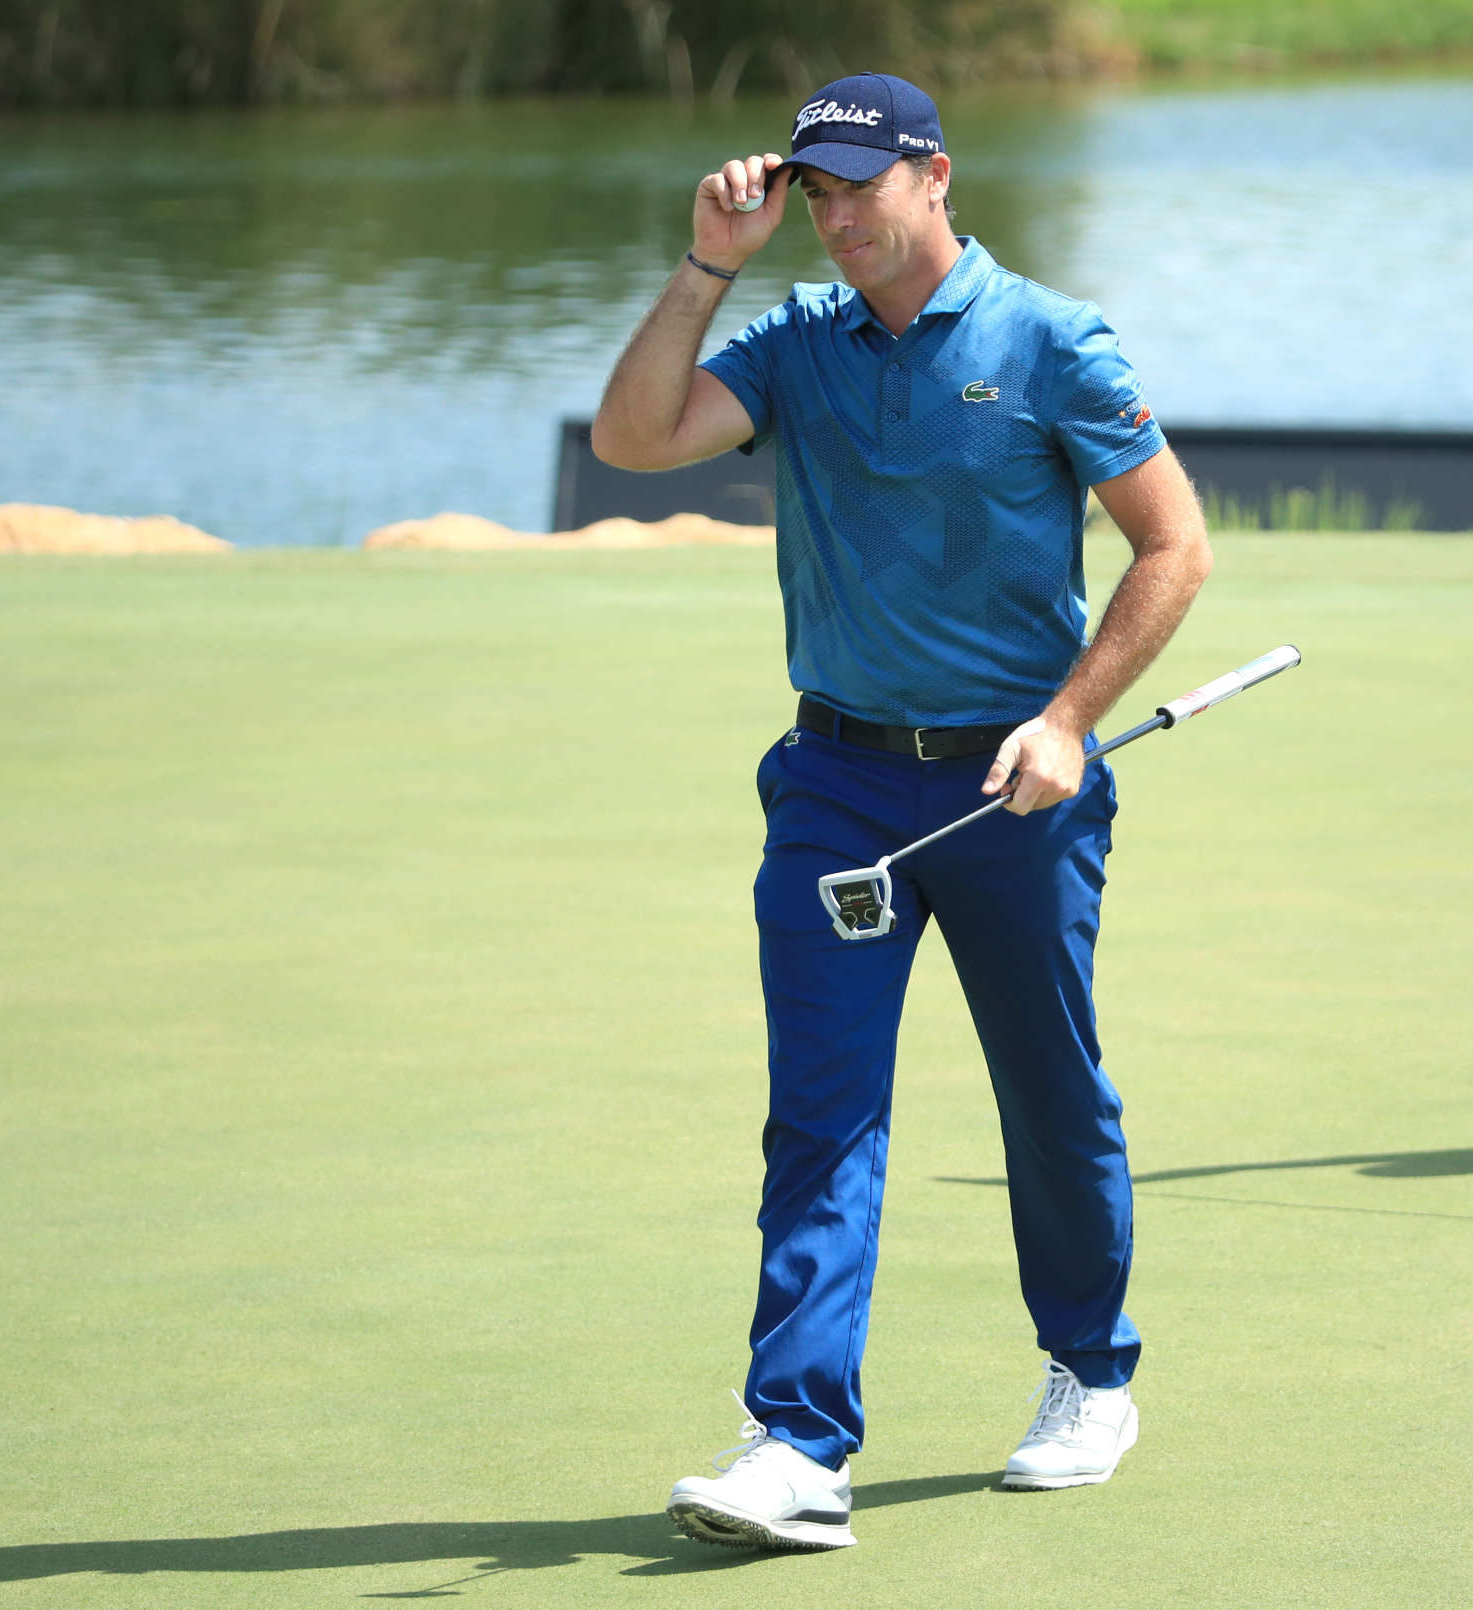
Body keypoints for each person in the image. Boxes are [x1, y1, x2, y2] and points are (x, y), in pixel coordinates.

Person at [590, 71, 1212, 1552]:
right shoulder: (794, 345)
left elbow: (1174, 547)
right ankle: (798, 1443)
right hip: (836, 784)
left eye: (861, 183)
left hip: (1017, 789)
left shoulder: (1052, 340)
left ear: (935, 176)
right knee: (822, 1111)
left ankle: (1088, 1371)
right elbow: (633, 439)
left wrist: (1067, 720)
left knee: (1048, 1094)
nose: (837, 213)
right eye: (816, 189)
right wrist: (706, 266)